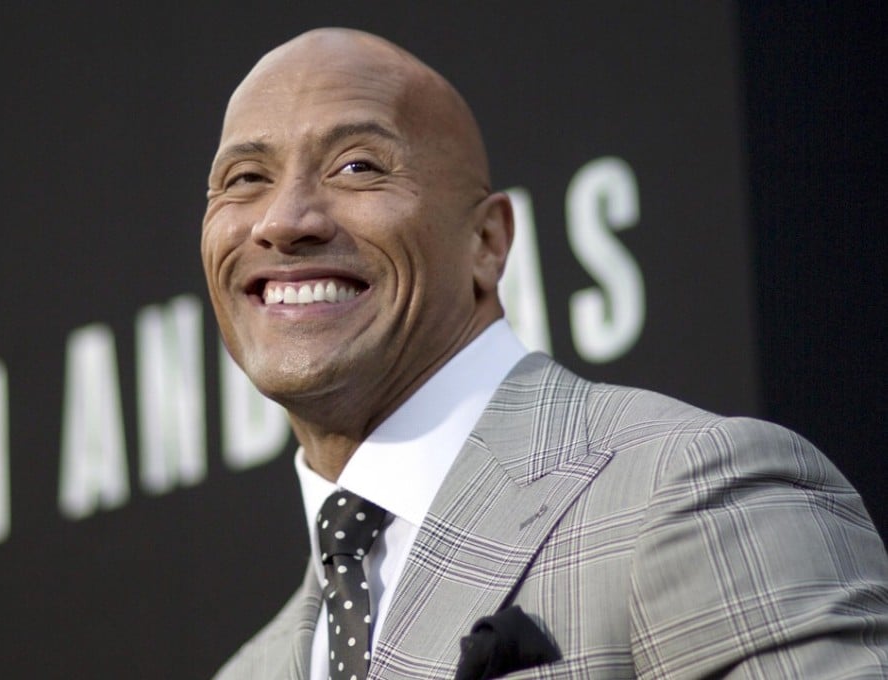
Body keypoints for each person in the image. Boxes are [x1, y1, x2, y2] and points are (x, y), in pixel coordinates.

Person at [201, 27, 888, 679]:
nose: (283, 221)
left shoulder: (694, 493)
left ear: (487, 242)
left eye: (357, 166)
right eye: (244, 179)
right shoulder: (251, 669)